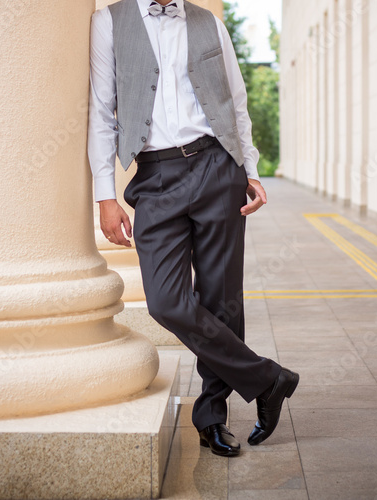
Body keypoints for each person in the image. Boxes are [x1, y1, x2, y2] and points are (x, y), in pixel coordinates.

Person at [87, 0, 299, 457]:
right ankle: (268, 380)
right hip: (155, 176)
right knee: (166, 301)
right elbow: (103, 111)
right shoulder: (109, 21)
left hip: (217, 166)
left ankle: (211, 417)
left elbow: (234, 101)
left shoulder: (209, 24)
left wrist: (252, 170)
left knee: (223, 299)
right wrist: (105, 195)